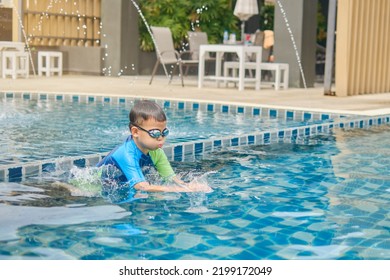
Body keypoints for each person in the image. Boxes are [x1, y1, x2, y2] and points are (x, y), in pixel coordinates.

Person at [96, 99, 211, 203]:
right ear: (135, 132)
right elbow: (141, 186)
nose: (161, 137)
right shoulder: (125, 154)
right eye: (155, 133)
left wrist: (189, 186)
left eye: (164, 132)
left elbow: (172, 179)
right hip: (95, 188)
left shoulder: (156, 152)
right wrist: (180, 189)